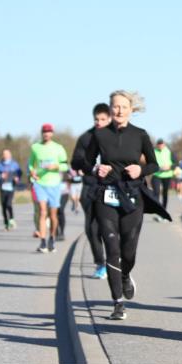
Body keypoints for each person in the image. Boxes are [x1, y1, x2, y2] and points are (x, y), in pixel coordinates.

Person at [73, 91, 157, 320]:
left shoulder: (140, 135)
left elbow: (153, 164)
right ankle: (118, 302)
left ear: (131, 109)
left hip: (132, 197)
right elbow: (81, 161)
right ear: (110, 110)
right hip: (106, 195)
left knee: (128, 251)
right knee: (111, 247)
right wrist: (94, 169)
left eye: (123, 106)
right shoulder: (99, 136)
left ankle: (125, 275)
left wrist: (141, 169)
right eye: (115, 107)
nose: (119, 111)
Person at [72, 103, 112, 279]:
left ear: (110, 119)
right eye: (97, 119)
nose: (99, 122)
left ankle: (115, 261)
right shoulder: (86, 138)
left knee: (111, 228)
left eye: (103, 119)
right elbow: (76, 161)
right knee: (92, 228)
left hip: (112, 187)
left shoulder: (117, 137)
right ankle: (100, 263)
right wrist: (87, 166)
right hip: (90, 187)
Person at [29, 123, 69, 253]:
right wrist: (32, 172)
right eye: (44, 131)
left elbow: (65, 166)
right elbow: (30, 164)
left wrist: (56, 166)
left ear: (52, 133)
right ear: (42, 133)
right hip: (40, 183)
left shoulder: (58, 148)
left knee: (53, 214)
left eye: (49, 131)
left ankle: (52, 238)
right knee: (42, 211)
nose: (46, 133)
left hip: (54, 184)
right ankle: (42, 241)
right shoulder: (35, 147)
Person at [0, 148, 22, 230]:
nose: (5, 155)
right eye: (4, 154)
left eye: (7, 154)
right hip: (2, 187)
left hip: (11, 187)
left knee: (8, 204)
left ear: (10, 155)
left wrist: (17, 178)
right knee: (3, 206)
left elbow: (19, 173)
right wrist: (0, 176)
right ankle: (6, 224)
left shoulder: (14, 164)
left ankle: (11, 219)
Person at [151, 139, 174, 209]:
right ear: (157, 145)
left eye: (161, 144)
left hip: (167, 175)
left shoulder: (169, 151)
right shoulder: (154, 152)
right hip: (156, 174)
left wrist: (169, 167)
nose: (160, 146)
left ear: (164, 144)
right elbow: (150, 162)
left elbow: (175, 163)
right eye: (159, 144)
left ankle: (164, 207)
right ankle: (158, 207)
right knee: (156, 191)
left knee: (165, 192)